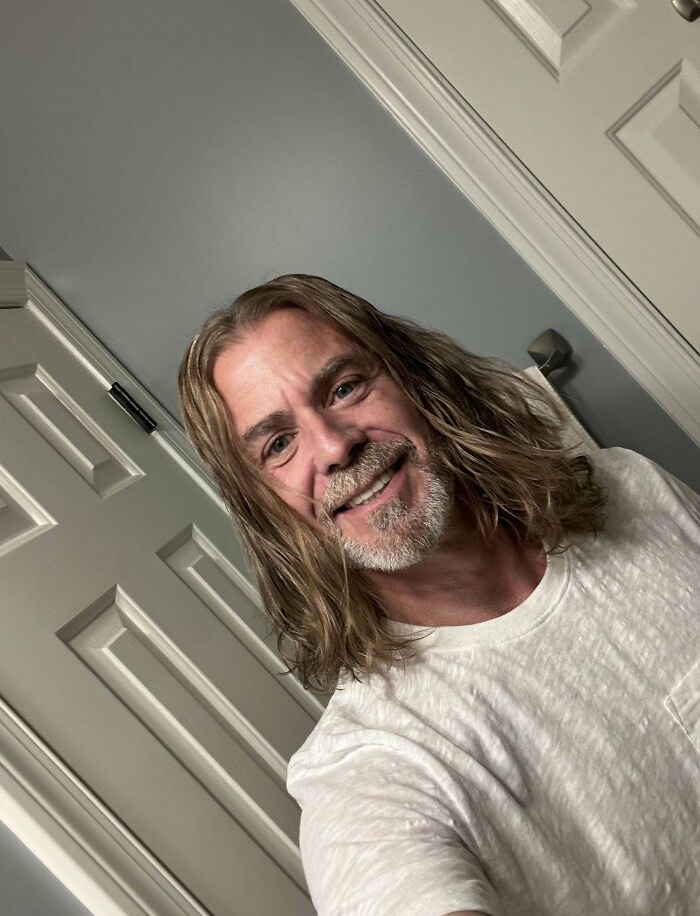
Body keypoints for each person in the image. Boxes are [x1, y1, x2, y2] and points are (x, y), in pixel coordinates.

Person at [178, 274, 700, 916]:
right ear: (264, 508)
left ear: (417, 380)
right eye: (279, 444)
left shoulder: (633, 488)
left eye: (345, 388)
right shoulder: (370, 770)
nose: (336, 446)